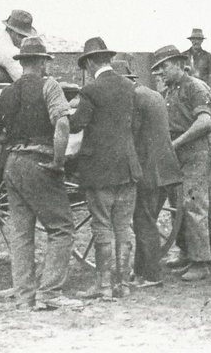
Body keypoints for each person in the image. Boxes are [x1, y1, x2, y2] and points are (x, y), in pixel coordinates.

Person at [0, 37, 82, 311]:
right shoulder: (49, 86)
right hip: (40, 163)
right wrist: (58, 161)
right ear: (41, 62)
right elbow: (62, 125)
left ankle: (25, 298)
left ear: (22, 62)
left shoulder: (4, 94)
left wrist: (13, 142)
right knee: (61, 228)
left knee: (22, 234)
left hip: (12, 165)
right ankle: (49, 293)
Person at [70, 37, 142, 299]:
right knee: (123, 226)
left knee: (102, 226)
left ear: (90, 62)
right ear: (108, 59)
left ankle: (103, 287)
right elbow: (135, 125)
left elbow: (77, 124)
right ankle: (123, 285)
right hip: (127, 168)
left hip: (100, 170)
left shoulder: (90, 90)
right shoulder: (129, 87)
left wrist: (65, 115)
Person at [111, 59, 183, 288]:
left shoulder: (135, 98)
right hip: (166, 167)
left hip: (151, 170)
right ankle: (141, 271)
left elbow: (131, 133)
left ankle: (152, 276)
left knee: (144, 221)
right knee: (145, 218)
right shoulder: (152, 94)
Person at [149, 45, 211, 281]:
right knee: (178, 205)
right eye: (157, 68)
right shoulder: (169, 91)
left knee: (194, 204)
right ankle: (186, 253)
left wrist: (175, 143)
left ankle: (201, 263)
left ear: (179, 64)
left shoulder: (195, 87)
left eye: (164, 66)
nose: (160, 72)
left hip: (195, 152)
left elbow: (204, 122)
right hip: (176, 152)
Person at [0, 9, 38, 83]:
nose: (23, 41)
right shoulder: (9, 50)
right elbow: (25, 80)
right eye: (20, 36)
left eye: (26, 37)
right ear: (11, 31)